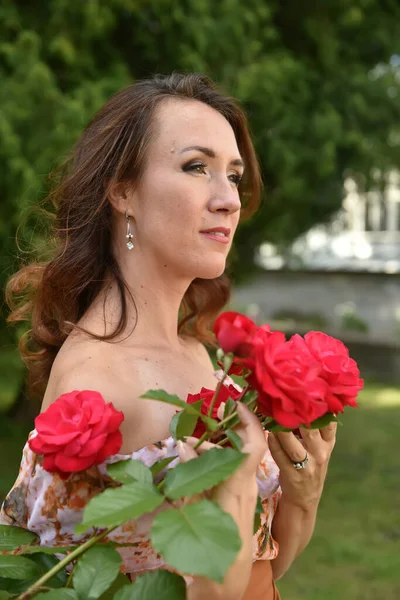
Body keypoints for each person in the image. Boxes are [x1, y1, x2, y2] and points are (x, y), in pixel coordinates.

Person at [1, 73, 337, 600]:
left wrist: (303, 496)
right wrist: (232, 492)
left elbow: (263, 568)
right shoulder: (98, 383)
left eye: (233, 174)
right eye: (196, 167)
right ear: (122, 191)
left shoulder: (198, 352)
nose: (228, 199)